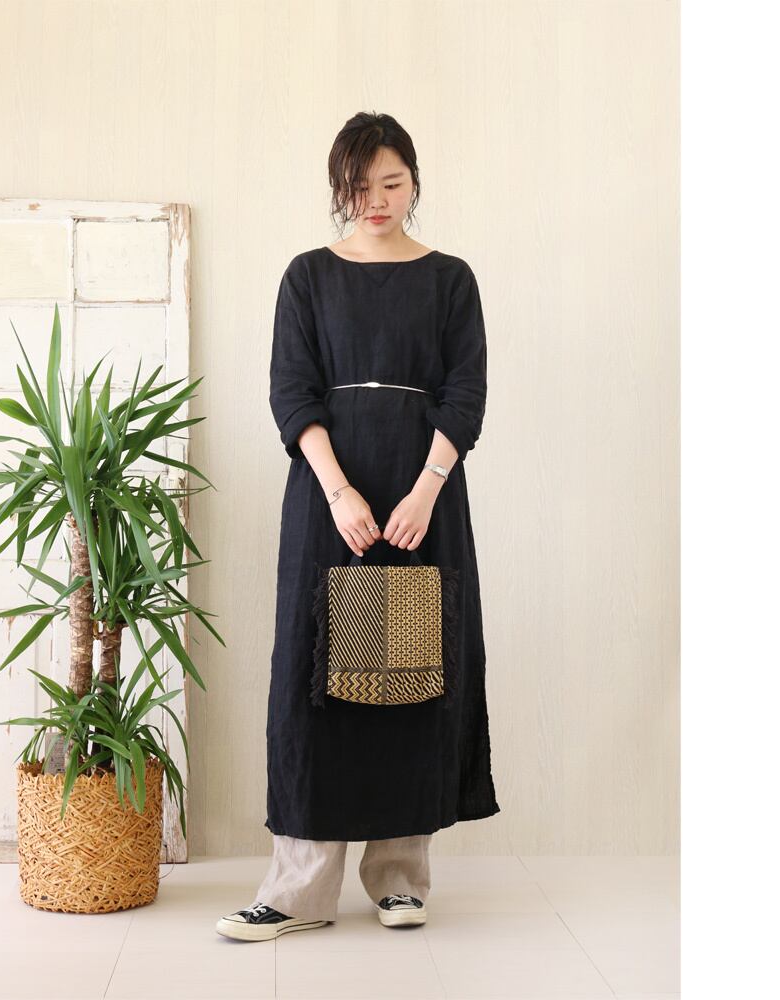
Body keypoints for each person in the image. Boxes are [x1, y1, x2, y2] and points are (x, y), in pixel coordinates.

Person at [217, 112, 500, 943]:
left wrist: (426, 490)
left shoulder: (450, 279)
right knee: (315, 685)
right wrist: (338, 492)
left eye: (392, 182)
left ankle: (400, 880)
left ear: (415, 182)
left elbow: (466, 395)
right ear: (338, 187)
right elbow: (291, 392)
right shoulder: (308, 275)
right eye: (359, 184)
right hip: (327, 499)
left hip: (424, 500)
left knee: (412, 676)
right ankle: (298, 892)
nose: (376, 199)